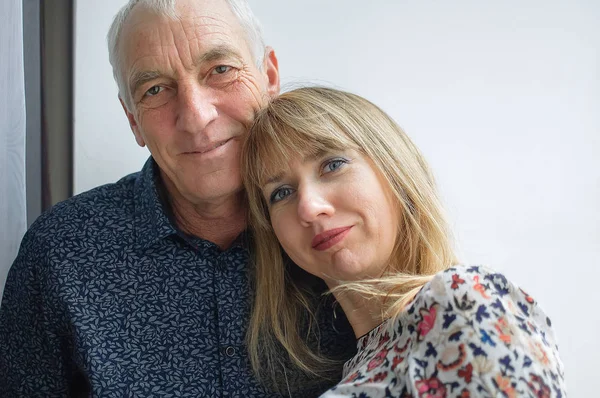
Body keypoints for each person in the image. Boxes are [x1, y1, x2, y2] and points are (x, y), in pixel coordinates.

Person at [0, 1, 355, 396]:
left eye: (220, 70)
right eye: (155, 89)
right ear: (133, 119)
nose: (196, 115)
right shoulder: (60, 252)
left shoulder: (340, 226)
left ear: (269, 77)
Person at [241, 86, 567, 397]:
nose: (309, 208)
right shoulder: (357, 364)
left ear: (394, 168)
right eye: (281, 193)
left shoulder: (460, 301)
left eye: (332, 164)